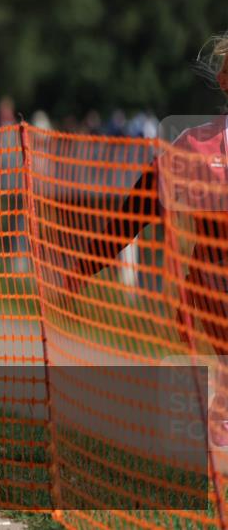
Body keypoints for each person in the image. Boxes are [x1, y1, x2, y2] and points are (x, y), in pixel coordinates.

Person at [67, 32, 228, 448]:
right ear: (225, 80)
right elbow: (133, 215)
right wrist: (83, 267)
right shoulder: (196, 147)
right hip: (215, 289)